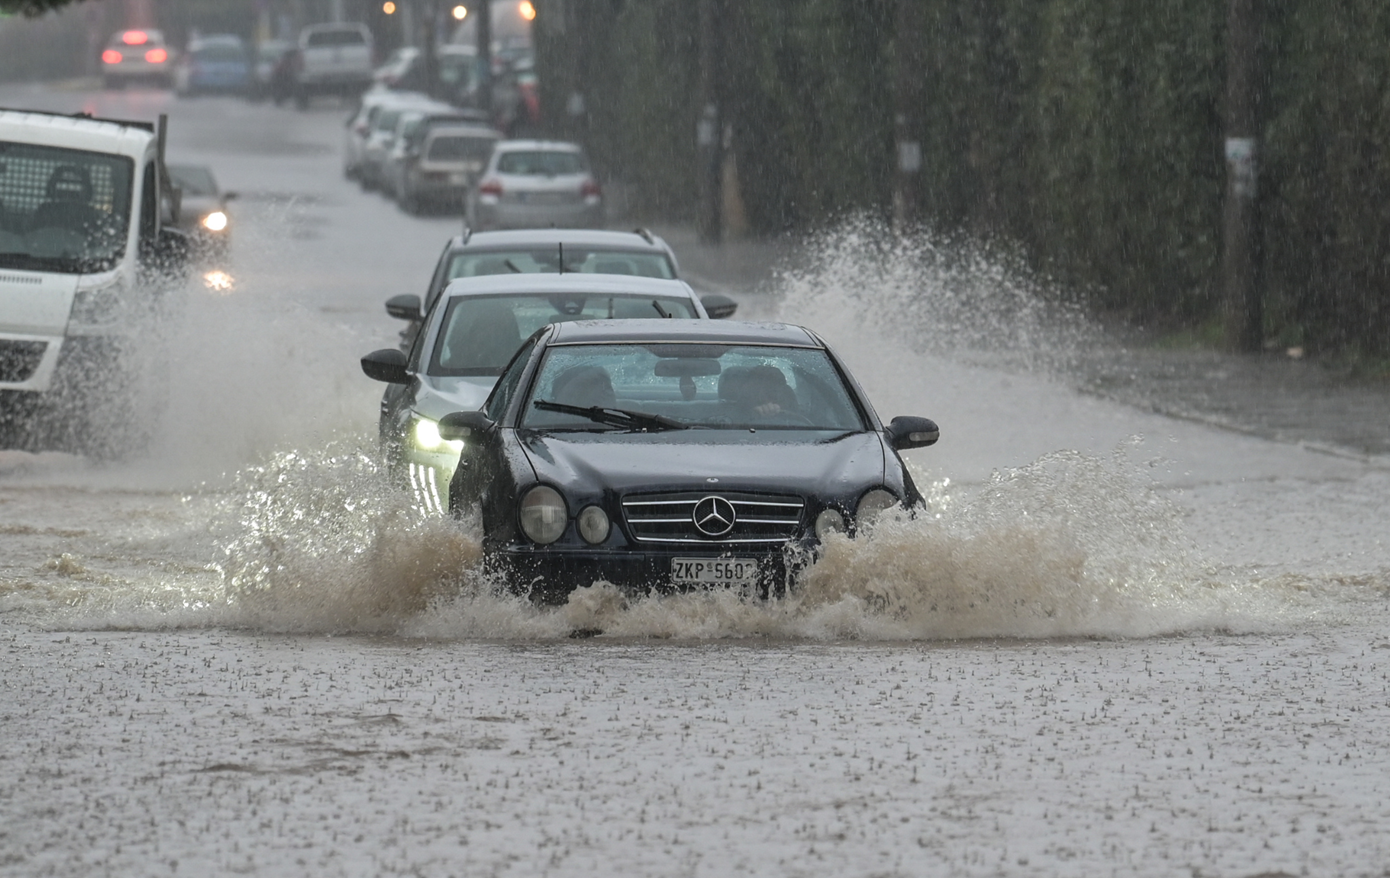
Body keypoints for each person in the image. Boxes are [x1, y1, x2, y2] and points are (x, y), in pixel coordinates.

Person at [551, 364, 615, 409]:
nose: (602, 394)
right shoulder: (549, 413)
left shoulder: (612, 413)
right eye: (588, 386)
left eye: (605, 387)